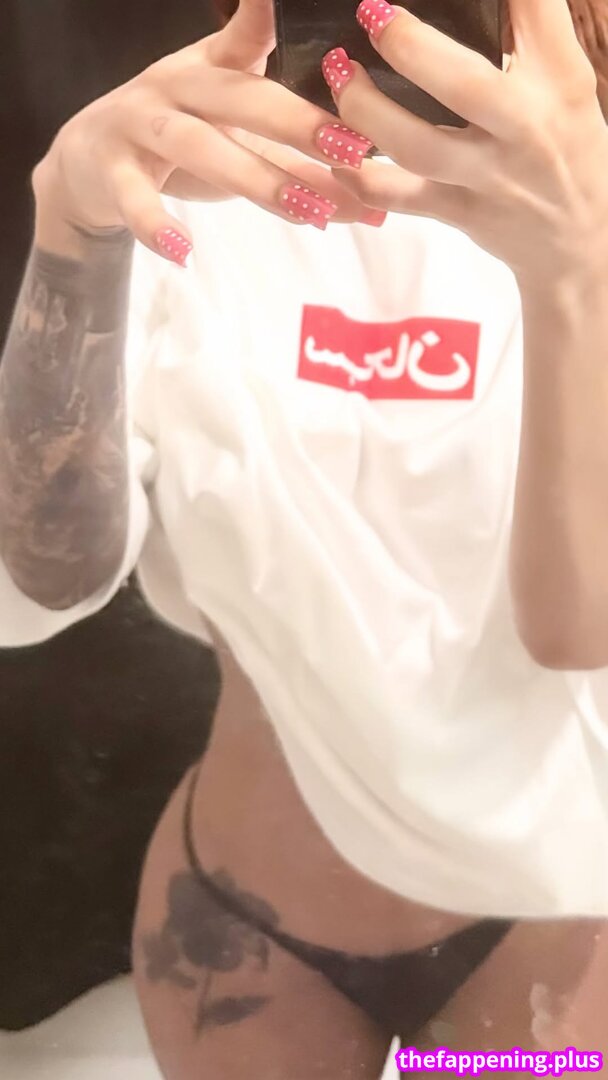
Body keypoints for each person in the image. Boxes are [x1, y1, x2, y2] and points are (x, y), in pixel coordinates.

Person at [1, 0, 608, 1076]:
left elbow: (579, 631)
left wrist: (577, 272)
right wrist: (72, 237)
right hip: (249, 927)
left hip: (556, 933)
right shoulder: (181, 173)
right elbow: (40, 587)